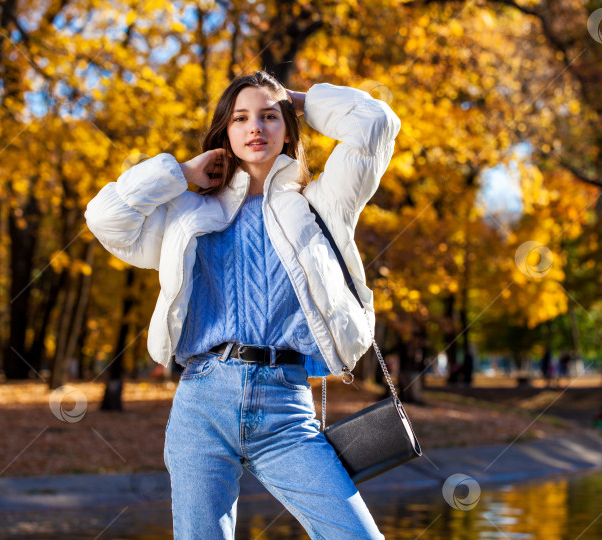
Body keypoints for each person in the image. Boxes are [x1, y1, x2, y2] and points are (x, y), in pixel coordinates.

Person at [85, 71, 400, 539]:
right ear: (225, 132)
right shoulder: (188, 215)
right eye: (241, 118)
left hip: (287, 408)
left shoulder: (322, 203)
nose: (256, 127)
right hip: (202, 403)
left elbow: (376, 123)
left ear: (288, 129)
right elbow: (106, 217)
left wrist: (296, 98)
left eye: (269, 117)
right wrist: (181, 173)